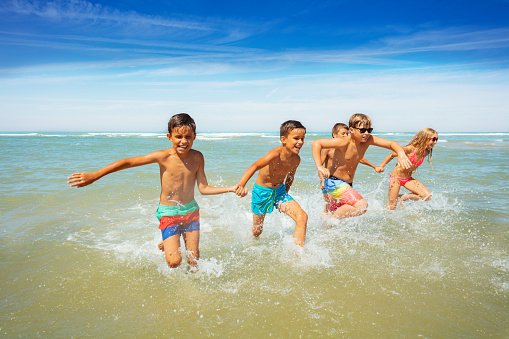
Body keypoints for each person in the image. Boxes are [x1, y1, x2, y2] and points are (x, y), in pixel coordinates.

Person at [67, 113, 242, 269]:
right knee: (174, 262)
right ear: (169, 137)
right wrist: (95, 175)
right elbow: (128, 162)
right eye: (178, 136)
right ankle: (166, 243)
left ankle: (192, 287)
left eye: (188, 137)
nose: (183, 141)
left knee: (194, 260)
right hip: (169, 213)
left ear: (194, 137)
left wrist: (231, 188)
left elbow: (203, 188)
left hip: (191, 211)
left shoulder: (198, 157)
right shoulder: (163, 157)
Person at [312, 113, 412, 220]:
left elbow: (391, 144)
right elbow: (316, 144)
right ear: (352, 129)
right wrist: (320, 166)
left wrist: (401, 153)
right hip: (334, 182)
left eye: (369, 130)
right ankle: (331, 219)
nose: (366, 133)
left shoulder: (368, 140)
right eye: (362, 130)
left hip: (347, 184)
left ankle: (328, 225)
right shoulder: (344, 142)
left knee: (342, 210)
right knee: (362, 206)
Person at [235, 120, 308, 247]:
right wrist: (241, 185)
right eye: (296, 138)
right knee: (257, 231)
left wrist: (285, 195)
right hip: (262, 192)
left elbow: (290, 177)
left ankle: (298, 256)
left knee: (302, 217)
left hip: (280, 191)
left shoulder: (296, 159)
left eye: (302, 138)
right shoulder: (275, 154)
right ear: (284, 139)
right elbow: (255, 165)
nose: (300, 142)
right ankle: (249, 243)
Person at [318, 123, 384, 212]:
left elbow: (360, 159)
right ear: (334, 135)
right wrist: (322, 180)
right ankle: (326, 219)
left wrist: (374, 166)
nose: (346, 135)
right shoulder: (328, 148)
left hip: (341, 181)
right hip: (329, 180)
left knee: (338, 205)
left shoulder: (346, 147)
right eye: (343, 133)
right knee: (328, 205)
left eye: (347, 133)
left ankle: (332, 221)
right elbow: (320, 166)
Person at [379, 128, 438, 209]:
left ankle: (403, 197)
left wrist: (406, 196)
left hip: (408, 179)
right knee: (392, 206)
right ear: (425, 138)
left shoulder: (426, 152)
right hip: (396, 178)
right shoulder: (410, 149)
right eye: (433, 139)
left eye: (436, 139)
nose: (435, 142)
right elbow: (392, 155)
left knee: (427, 196)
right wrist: (381, 166)